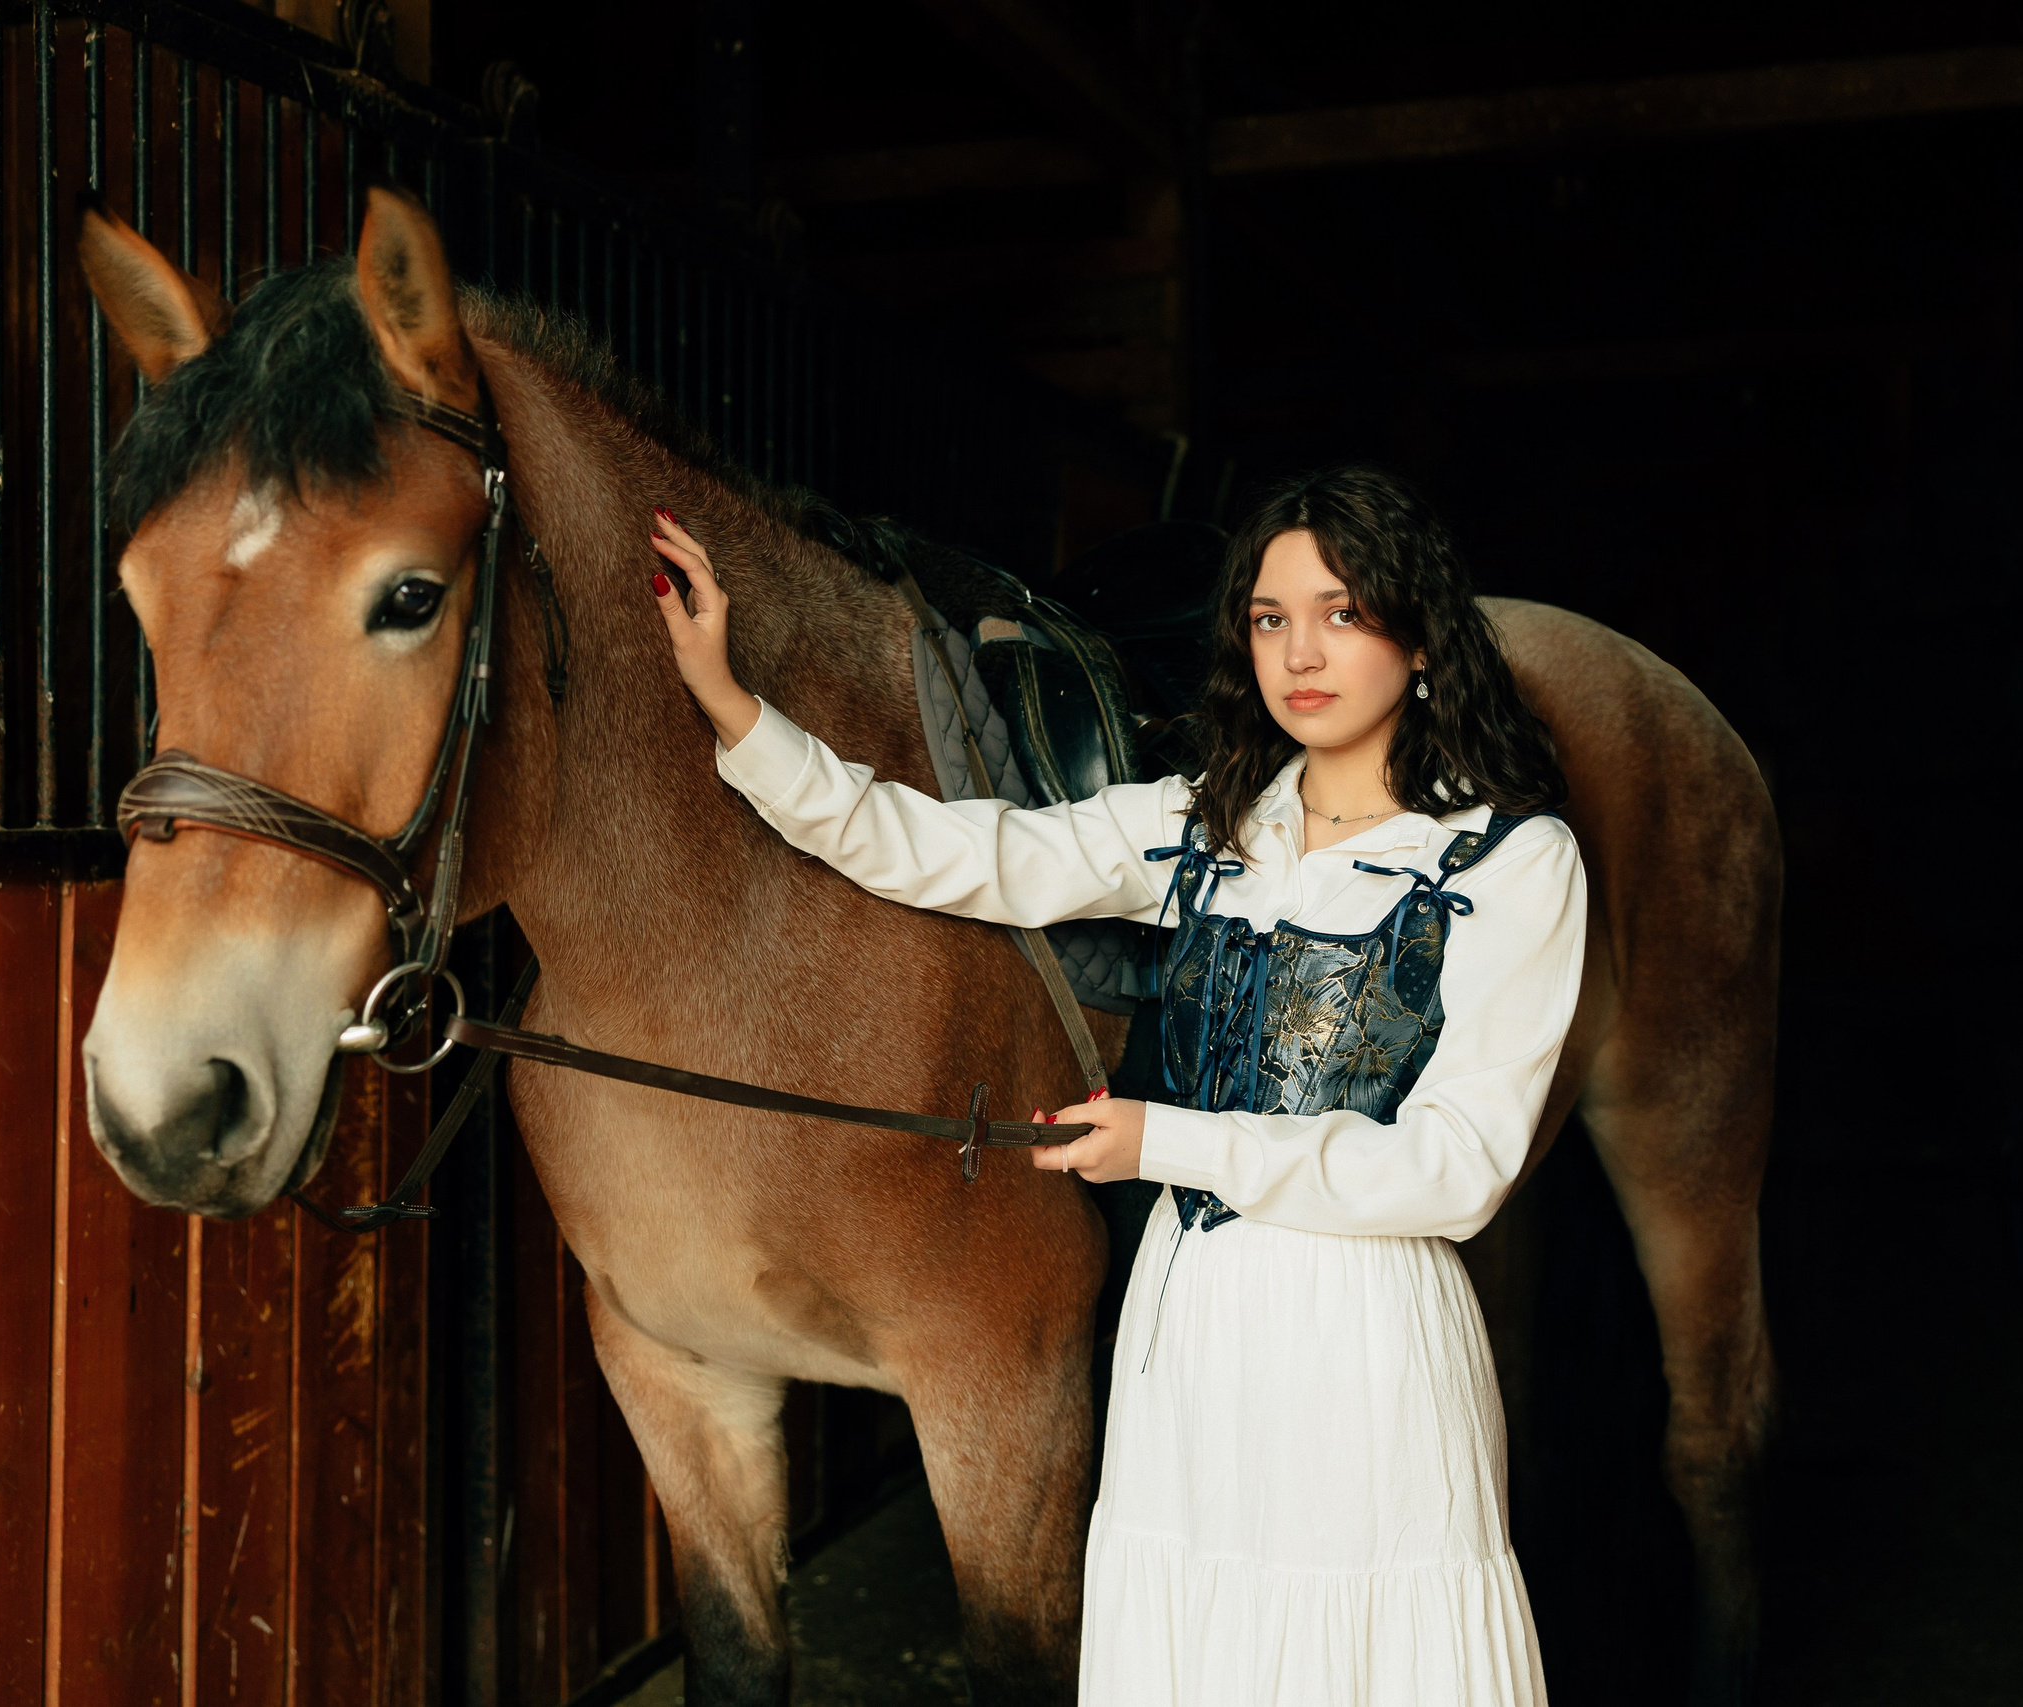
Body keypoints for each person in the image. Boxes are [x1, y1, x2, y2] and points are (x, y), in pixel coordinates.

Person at [649, 466, 1583, 1706]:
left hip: (1364, 1343)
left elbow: (1455, 1171)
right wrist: (732, 706)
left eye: (1341, 611)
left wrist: (1166, 1143)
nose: (1299, 651)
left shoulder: (1511, 862)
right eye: (1267, 618)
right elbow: (950, 850)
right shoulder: (1203, 829)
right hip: (1186, 1333)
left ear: (1418, 637)